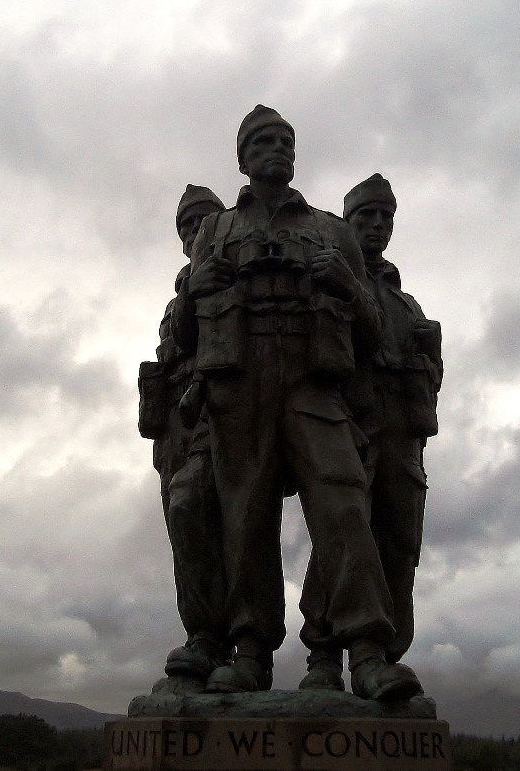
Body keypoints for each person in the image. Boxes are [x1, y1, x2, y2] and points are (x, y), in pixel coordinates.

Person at [172, 106, 421, 701]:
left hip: (313, 383)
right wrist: (193, 297)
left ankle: (365, 649)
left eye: (284, 141)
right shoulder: (215, 232)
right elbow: (184, 334)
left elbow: (369, 332)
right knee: (245, 517)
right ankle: (250, 649)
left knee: (343, 507)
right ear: (242, 158)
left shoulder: (332, 231)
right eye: (262, 141)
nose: (276, 149)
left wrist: (347, 284)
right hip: (241, 383)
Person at [298, 173, 442, 692]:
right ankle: (323, 655)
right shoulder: (328, 281)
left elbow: (432, 375)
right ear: (348, 222)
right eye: (366, 216)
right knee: (342, 532)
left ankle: (384, 656)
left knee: (401, 545)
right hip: (352, 422)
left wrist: (431, 357)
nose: (378, 225)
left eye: (386, 217)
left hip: (404, 432)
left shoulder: (408, 305)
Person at [138, 185, 230, 692]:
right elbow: (173, 347)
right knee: (187, 529)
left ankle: (232, 638)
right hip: (175, 425)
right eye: (187, 227)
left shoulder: (230, 279)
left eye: (203, 222)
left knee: (197, 508)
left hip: (222, 413)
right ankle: (204, 638)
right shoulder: (181, 294)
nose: (195, 233)